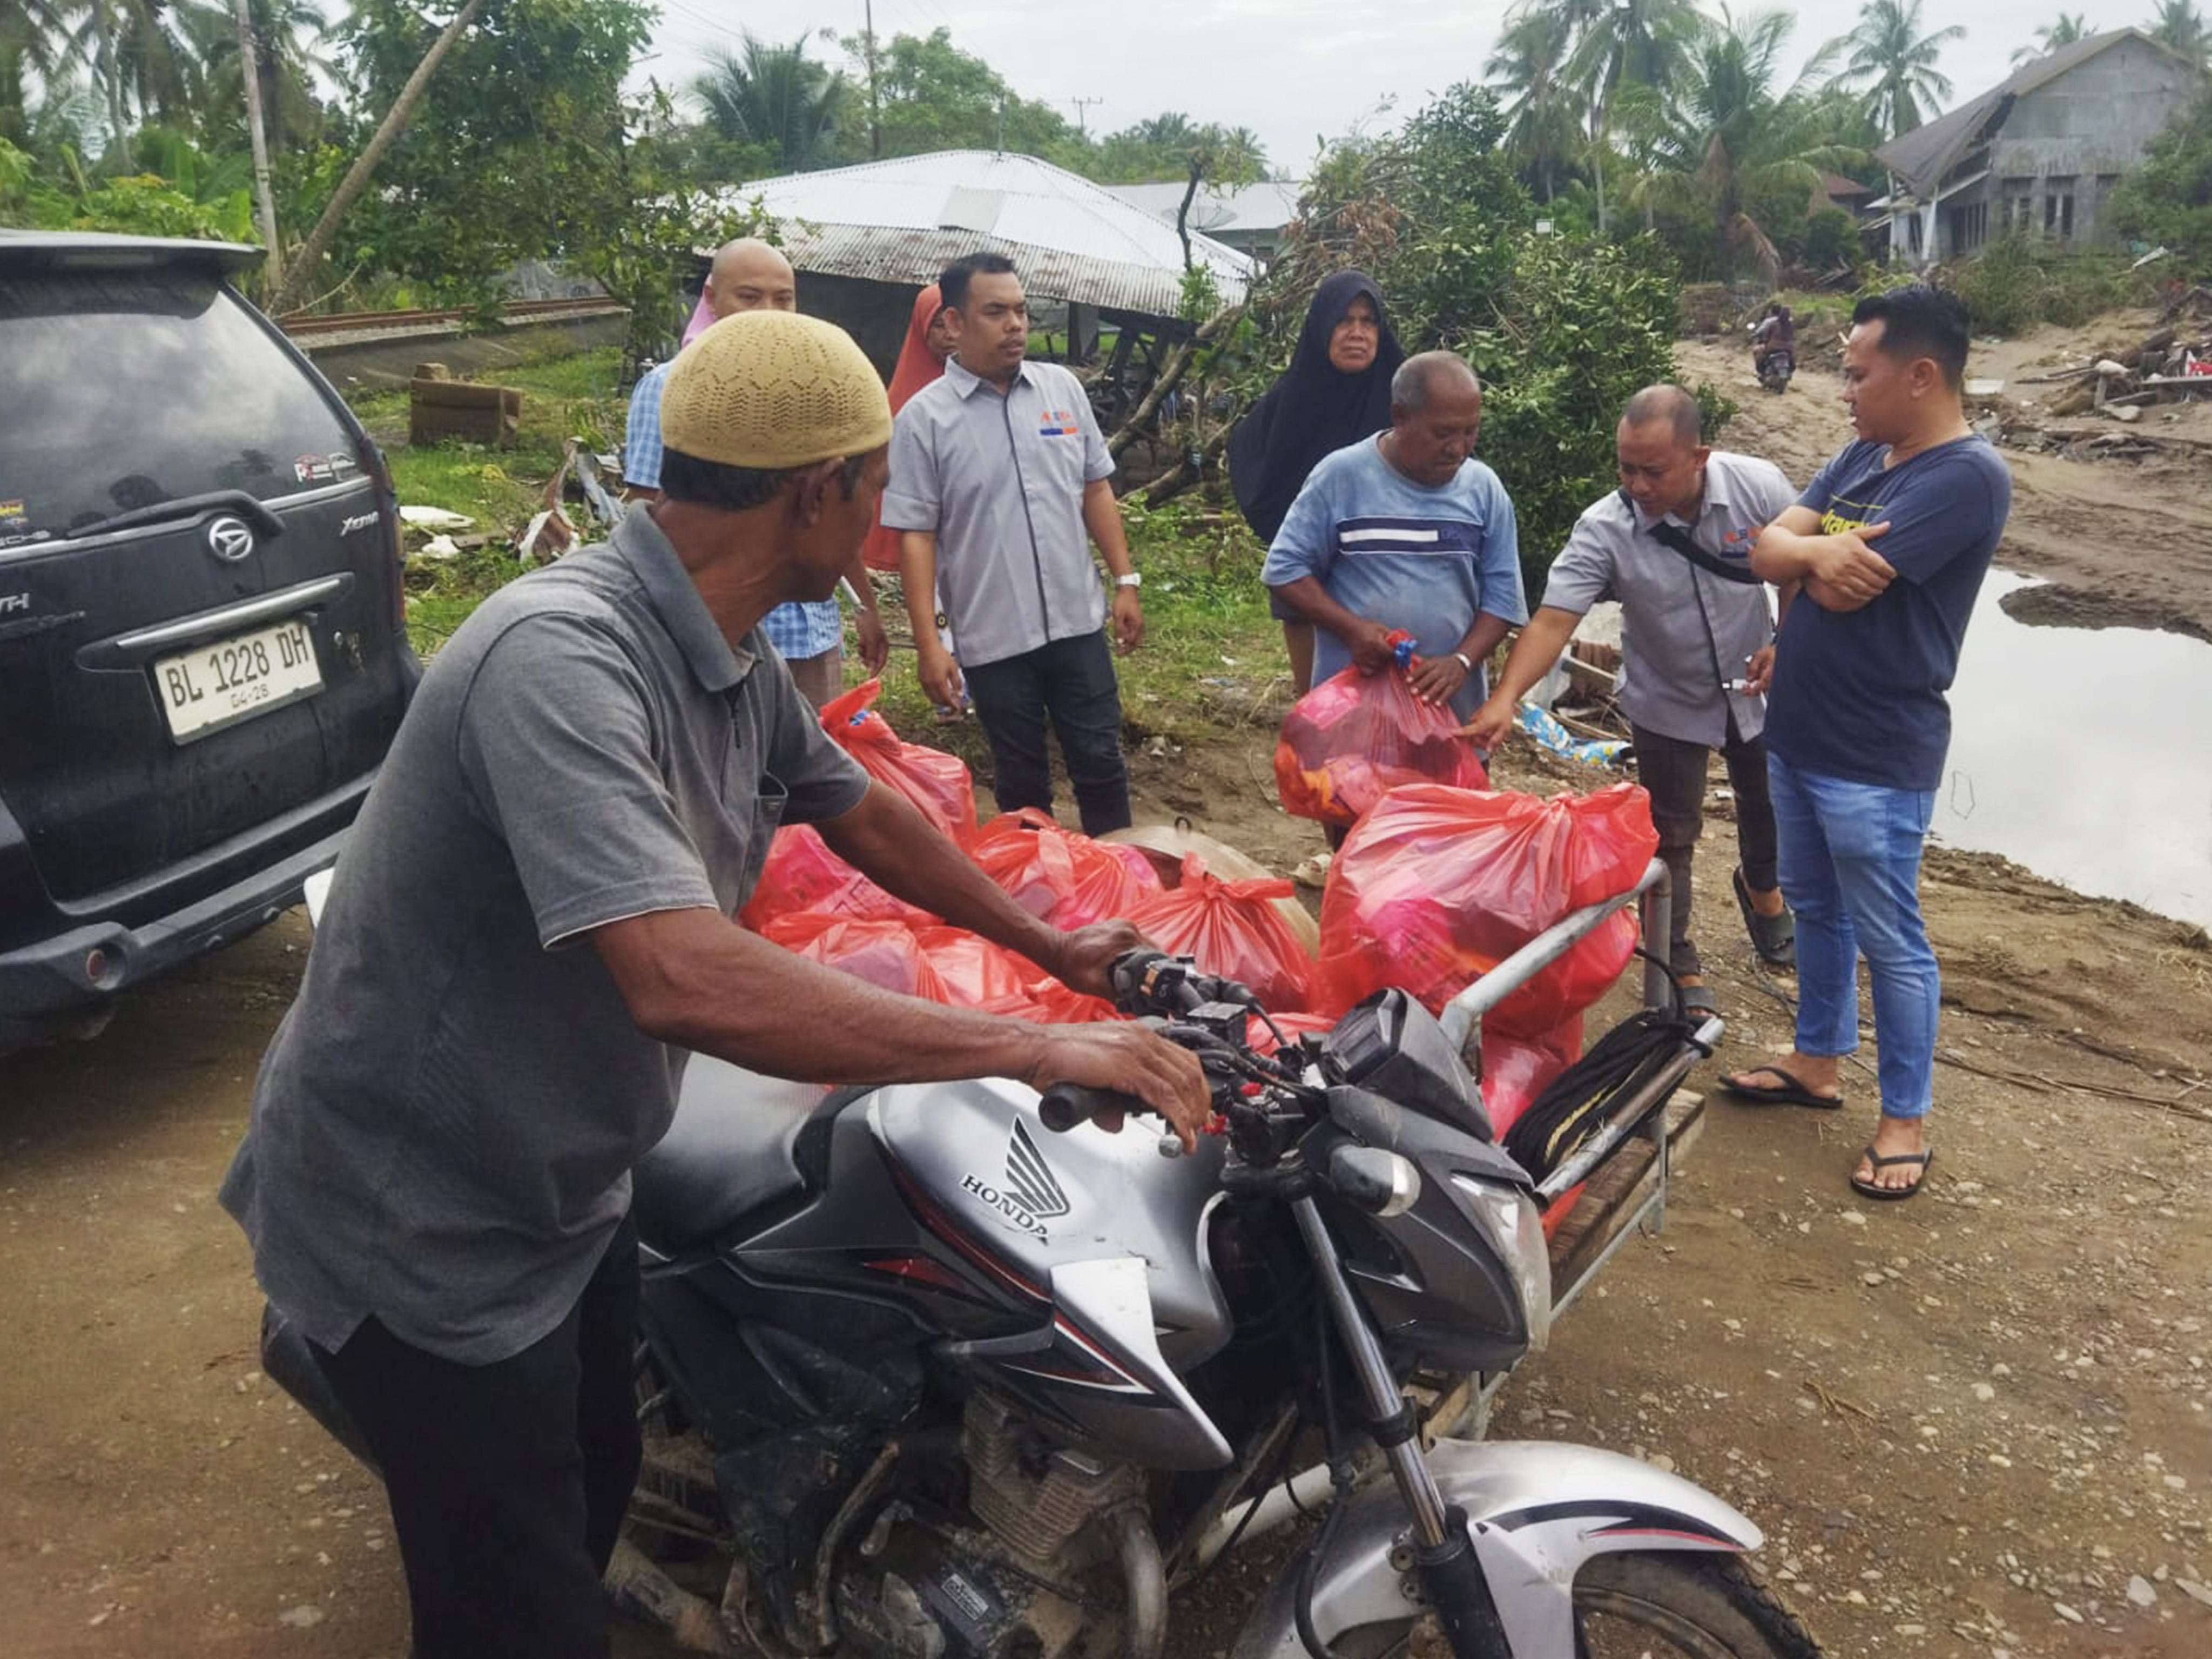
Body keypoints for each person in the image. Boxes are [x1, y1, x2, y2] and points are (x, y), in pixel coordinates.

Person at [218, 311, 1210, 1659]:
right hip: (426, 1215)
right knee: (512, 1608)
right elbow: (678, 971)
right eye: (875, 476)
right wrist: (1030, 1043)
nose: (884, 504)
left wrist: (1056, 948)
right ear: (820, 493)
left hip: (565, 1185)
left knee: (591, 1487)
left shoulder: (721, 639)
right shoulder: (562, 655)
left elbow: (858, 806)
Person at [1721, 283, 2012, 1202]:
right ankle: (1817, 1061)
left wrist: (1801, 552)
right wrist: (1806, 555)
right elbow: (1767, 552)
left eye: (1857, 373)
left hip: (1877, 748)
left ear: (1920, 375)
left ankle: (1903, 1119)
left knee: (1890, 934)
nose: (1844, 391)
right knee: (1814, 902)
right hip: (1801, 729)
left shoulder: (1964, 476)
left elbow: (1851, 579)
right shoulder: (1863, 453)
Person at [1460, 385, 1797, 1015]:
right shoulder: (1605, 527)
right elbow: (1554, 620)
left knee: (1771, 803)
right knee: (1671, 836)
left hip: (1759, 687)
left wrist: (1790, 643)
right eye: (1625, 468)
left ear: (1698, 456)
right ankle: (1677, 965)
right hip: (1667, 699)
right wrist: (1507, 697)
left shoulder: (1760, 488)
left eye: (1654, 470)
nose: (1637, 485)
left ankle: (1764, 891)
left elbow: (1802, 567)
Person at [885, 253, 1145, 836]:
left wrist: (1125, 581)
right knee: (1022, 784)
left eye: (1022, 311)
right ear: (952, 324)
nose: (1016, 325)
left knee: (1101, 763)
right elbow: (917, 537)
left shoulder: (1061, 392)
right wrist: (930, 645)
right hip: (993, 637)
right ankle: (1039, 905)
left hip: (1078, 624)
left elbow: (1094, 488)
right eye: (996, 312)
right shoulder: (924, 420)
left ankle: (1126, 887)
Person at [624, 237, 888, 702]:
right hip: (730, 632)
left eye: (783, 299)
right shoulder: (674, 386)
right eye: (749, 297)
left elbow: (839, 507)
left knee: (811, 758)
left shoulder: (814, 390)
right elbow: (652, 511)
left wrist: (865, 605)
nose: (768, 311)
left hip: (812, 627)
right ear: (711, 299)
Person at [1261, 351, 1527, 729]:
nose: (1459, 448)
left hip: (1452, 723)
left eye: (1470, 431)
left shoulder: (1484, 490)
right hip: (1353, 721)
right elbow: (1284, 570)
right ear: (1400, 417)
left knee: (1447, 792)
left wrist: (1462, 662)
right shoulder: (1342, 476)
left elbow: (1504, 599)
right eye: (1444, 433)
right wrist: (1352, 629)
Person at [1228, 271, 1406, 695]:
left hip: (1389, 570)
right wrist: (1297, 531)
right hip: (1309, 577)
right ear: (1322, 327)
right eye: (1344, 321)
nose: (1357, 334)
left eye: (1368, 321)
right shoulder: (1294, 400)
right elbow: (1254, 462)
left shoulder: (1404, 398)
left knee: (1387, 706)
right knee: (1321, 703)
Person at [861, 283, 956, 574]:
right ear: (921, 328)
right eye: (939, 325)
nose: (950, 335)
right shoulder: (902, 404)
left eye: (957, 323)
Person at [1751, 302, 1796, 374]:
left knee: (1759, 353)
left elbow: (1766, 335)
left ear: (1771, 311)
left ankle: (1761, 372)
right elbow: (1793, 336)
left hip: (1774, 347)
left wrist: (1765, 341)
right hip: (1788, 348)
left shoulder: (1773, 323)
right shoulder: (1791, 325)